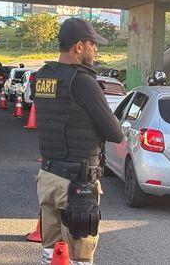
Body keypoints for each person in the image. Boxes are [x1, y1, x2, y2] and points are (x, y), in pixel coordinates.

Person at [32, 18, 123, 265]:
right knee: (80, 257)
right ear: (79, 47)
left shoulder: (42, 77)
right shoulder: (83, 82)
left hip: (48, 177)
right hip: (77, 184)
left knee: (50, 252)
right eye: (93, 44)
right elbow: (115, 133)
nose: (96, 50)